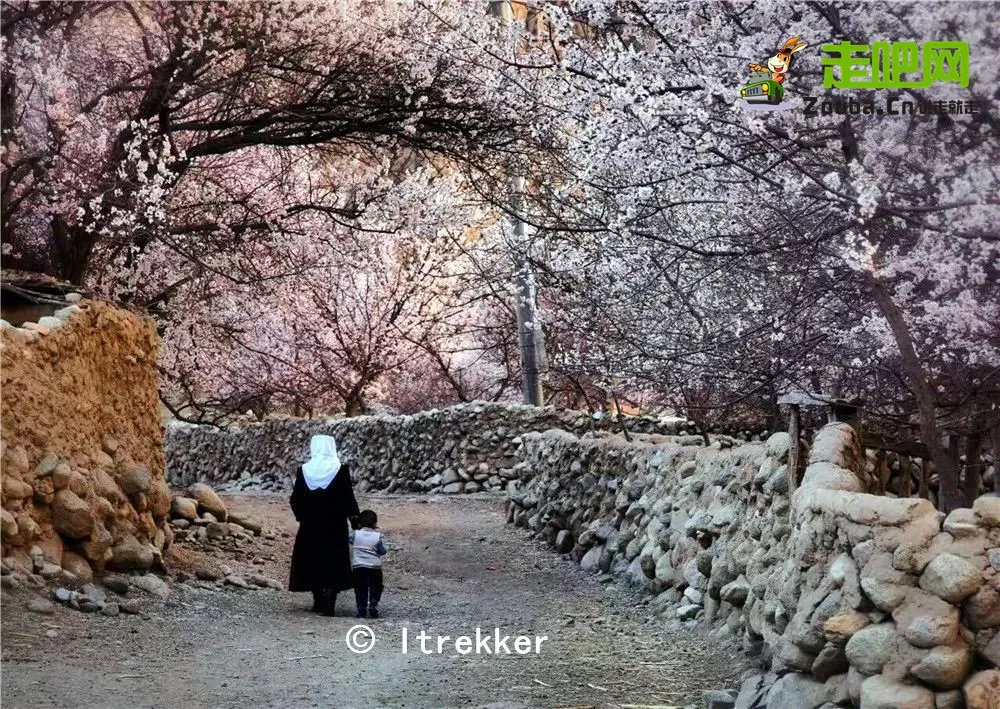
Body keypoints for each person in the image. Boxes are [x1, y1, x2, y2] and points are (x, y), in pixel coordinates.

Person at [288, 434, 360, 616]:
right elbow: (348, 498)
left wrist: (301, 516)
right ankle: (330, 600)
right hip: (335, 525)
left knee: (312, 559)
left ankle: (318, 600)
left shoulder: (304, 470)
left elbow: (295, 498)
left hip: (310, 525)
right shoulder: (340, 470)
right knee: (333, 560)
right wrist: (355, 520)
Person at [350, 509, 387, 618]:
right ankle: (373, 604)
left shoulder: (355, 535)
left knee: (360, 589)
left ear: (360, 523)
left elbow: (350, 541)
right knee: (376, 587)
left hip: (358, 566)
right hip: (374, 567)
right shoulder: (377, 536)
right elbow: (382, 551)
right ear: (375, 523)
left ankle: (361, 610)